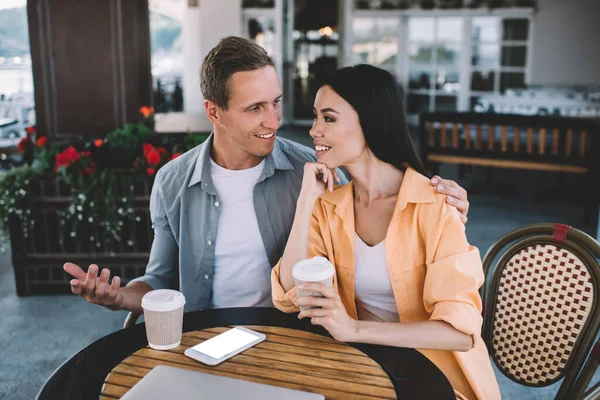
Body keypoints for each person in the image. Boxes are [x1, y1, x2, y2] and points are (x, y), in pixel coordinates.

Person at [63, 37, 471, 316]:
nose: (273, 121)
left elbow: (377, 223)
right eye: (255, 108)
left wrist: (442, 209)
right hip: (202, 338)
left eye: (275, 103)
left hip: (292, 338)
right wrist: (119, 297)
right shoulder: (173, 182)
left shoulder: (312, 172)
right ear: (214, 112)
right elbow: (159, 281)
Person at [271, 64, 500, 400]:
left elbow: (460, 333)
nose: (314, 130)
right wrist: (307, 200)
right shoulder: (328, 205)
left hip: (436, 380)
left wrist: (354, 330)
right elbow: (289, 295)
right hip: (362, 371)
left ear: (371, 121)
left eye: (329, 118)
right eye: (316, 117)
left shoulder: (435, 204)